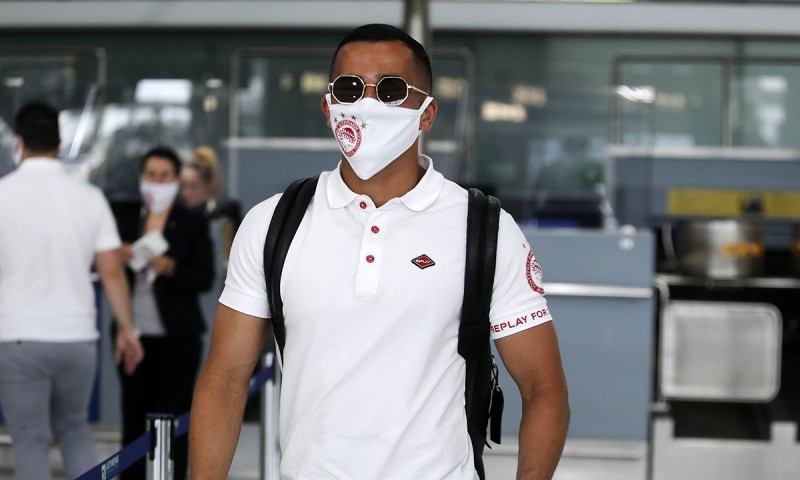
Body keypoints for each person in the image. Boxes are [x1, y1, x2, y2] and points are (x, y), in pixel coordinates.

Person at [189, 24, 570, 480]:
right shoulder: (273, 223)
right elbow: (226, 379)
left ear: (427, 113)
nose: (366, 104)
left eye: (391, 90)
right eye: (349, 89)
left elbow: (543, 388)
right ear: (328, 107)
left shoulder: (484, 229)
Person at [0, 102, 143, 480]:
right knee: (75, 431)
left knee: (29, 439)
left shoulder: (2, 194)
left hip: (17, 336)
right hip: (77, 337)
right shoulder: (89, 197)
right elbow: (112, 271)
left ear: (18, 143)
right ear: (59, 144)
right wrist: (127, 329)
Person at [115, 146, 214, 480]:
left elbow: (204, 278)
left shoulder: (191, 222)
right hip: (132, 337)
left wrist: (170, 267)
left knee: (175, 420)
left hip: (177, 339)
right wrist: (118, 256)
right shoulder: (126, 219)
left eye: (163, 176)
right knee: (132, 420)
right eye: (151, 175)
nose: (156, 182)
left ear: (175, 180)